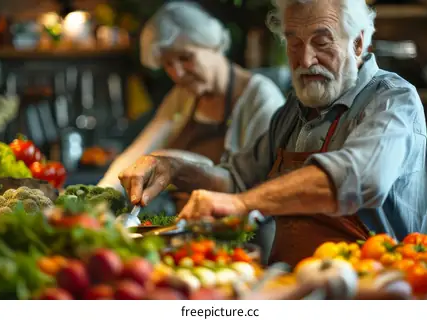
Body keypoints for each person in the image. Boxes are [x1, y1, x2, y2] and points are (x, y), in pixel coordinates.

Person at [118, 0, 427, 267]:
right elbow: (237, 179)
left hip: (372, 295)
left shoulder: (393, 100)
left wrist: (242, 204)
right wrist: (173, 167)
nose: (305, 58)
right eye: (294, 42)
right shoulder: (292, 111)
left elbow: (361, 177)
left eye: (321, 42)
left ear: (358, 42)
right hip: (289, 291)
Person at [98, 1, 286, 211]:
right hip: (183, 223)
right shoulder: (184, 95)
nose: (177, 73)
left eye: (186, 57)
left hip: (236, 230)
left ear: (213, 44)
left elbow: (259, 185)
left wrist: (179, 162)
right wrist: (101, 195)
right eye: (168, 64)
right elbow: (142, 148)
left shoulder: (260, 97)